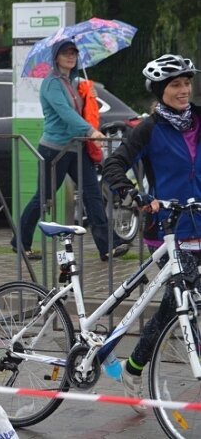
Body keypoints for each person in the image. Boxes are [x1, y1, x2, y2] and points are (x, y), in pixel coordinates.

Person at [102, 53, 200, 413]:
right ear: (160, 91)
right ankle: (137, 368)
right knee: (183, 299)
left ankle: (133, 367)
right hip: (169, 228)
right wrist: (132, 195)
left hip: (200, 220)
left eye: (186, 82)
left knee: (177, 303)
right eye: (175, 84)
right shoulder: (148, 128)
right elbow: (114, 164)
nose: (184, 89)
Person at [11, 39, 129, 261]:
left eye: (74, 53)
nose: (71, 56)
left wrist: (89, 96)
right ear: (56, 57)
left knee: (93, 194)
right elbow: (65, 113)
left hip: (76, 148)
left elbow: (81, 110)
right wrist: (90, 131)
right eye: (65, 53)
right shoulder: (51, 83)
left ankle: (108, 246)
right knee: (44, 197)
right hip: (54, 150)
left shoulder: (73, 83)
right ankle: (20, 241)